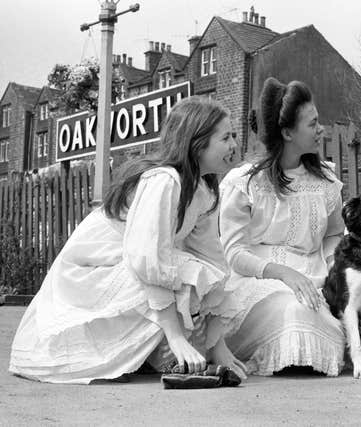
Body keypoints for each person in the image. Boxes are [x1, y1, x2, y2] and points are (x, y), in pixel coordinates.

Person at [9, 97, 247, 384]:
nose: (234, 145)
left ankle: (150, 355)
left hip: (137, 264)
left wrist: (216, 346)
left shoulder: (204, 190)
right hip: (96, 268)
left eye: (233, 135)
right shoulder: (164, 180)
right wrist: (174, 334)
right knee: (180, 275)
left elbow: (211, 260)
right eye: (225, 137)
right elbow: (146, 259)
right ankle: (120, 352)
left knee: (194, 274)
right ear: (196, 144)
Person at [216, 77, 345, 376]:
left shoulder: (326, 181)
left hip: (315, 279)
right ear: (287, 132)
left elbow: (334, 234)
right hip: (258, 282)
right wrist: (285, 274)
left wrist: (337, 271)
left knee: (314, 310)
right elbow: (234, 252)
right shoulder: (245, 183)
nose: (321, 128)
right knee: (294, 309)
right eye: (313, 124)